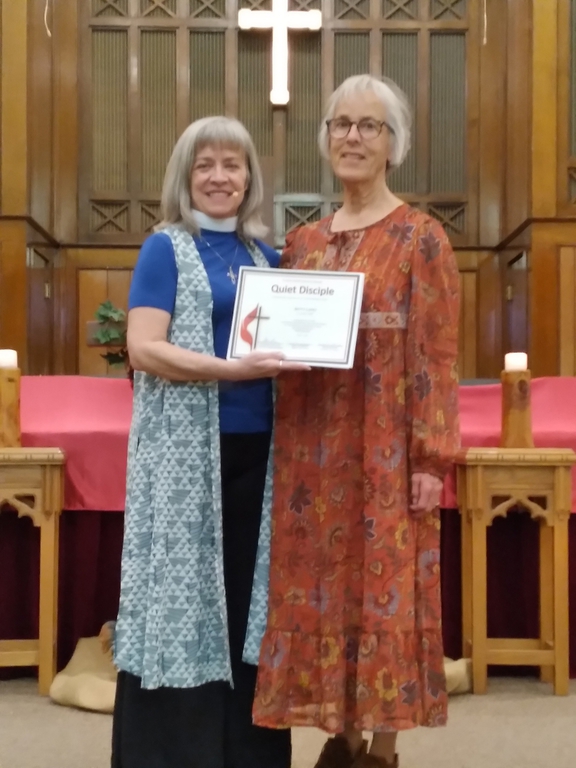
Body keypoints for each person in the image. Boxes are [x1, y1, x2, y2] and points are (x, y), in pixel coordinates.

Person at [251, 75, 461, 768]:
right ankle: (339, 740)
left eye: (369, 126)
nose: (352, 137)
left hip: (386, 453)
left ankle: (383, 749)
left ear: (393, 144)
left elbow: (435, 355)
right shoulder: (302, 242)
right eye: (340, 124)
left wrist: (431, 457)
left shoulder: (421, 238)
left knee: (385, 589)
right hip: (310, 454)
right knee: (321, 593)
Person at [110, 116, 301, 768]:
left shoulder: (268, 259)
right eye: (205, 165)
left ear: (249, 177)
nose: (220, 177)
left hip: (260, 457)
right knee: (183, 605)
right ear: (185, 176)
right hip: (184, 459)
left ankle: (248, 755)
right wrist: (232, 370)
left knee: (249, 611)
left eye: (232, 164)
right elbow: (144, 347)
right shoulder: (165, 248)